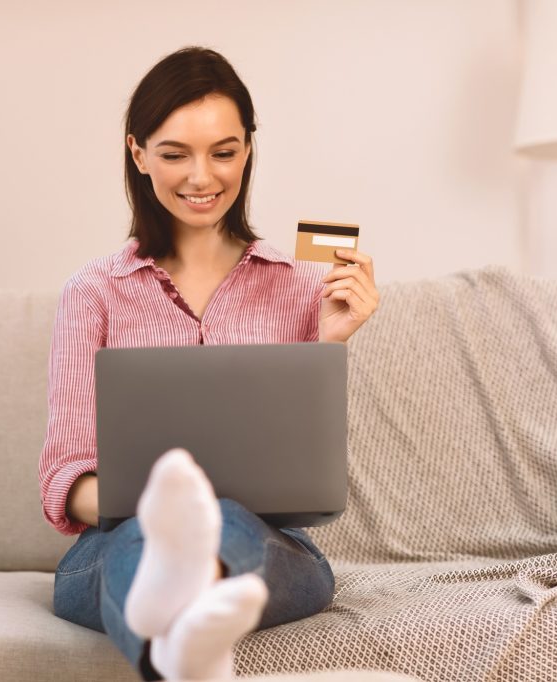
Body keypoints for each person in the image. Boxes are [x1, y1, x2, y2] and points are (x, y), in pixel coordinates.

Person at [38, 46, 379, 681]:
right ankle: (184, 636)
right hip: (118, 542)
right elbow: (66, 478)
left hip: (263, 544)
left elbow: (303, 477)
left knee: (222, 523)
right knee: (155, 541)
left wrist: (330, 342)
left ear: (248, 150)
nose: (202, 177)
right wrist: (163, 514)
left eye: (223, 152)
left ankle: (169, 641)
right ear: (139, 155)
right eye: (175, 154)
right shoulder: (92, 293)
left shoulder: (302, 286)